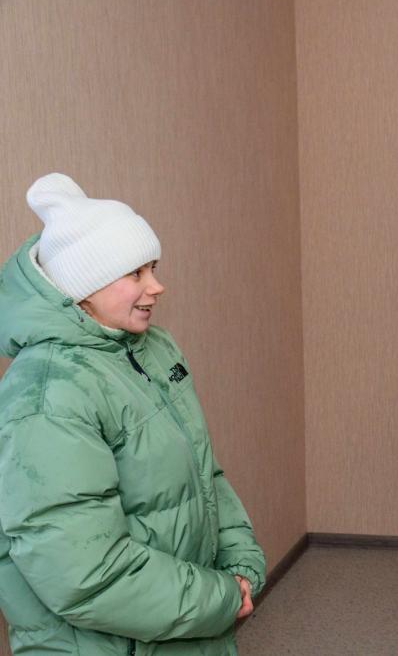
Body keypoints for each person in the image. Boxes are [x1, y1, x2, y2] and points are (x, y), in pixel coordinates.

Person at [0, 173, 266, 655]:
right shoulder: (48, 393)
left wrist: (239, 563)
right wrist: (220, 598)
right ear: (85, 284)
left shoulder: (152, 350)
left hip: (183, 624)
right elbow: (86, 575)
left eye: (153, 268)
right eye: (136, 273)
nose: (157, 286)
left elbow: (202, 472)